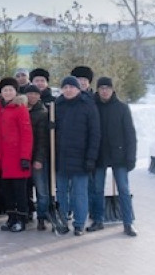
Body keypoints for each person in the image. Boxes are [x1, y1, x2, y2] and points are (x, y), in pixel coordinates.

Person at [89, 77, 138, 236]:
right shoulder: (92, 106)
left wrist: (131, 157)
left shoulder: (122, 108)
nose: (104, 91)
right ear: (97, 90)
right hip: (99, 155)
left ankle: (128, 223)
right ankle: (98, 220)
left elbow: (130, 134)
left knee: (123, 189)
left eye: (107, 88)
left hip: (119, 155)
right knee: (97, 189)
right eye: (101, 88)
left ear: (112, 89)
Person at [54, 76, 100, 236]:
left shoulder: (87, 106)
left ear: (78, 89)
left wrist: (91, 158)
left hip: (81, 159)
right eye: (65, 87)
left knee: (80, 193)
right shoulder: (56, 106)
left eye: (71, 87)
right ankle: (62, 221)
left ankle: (79, 224)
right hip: (61, 158)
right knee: (61, 192)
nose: (68, 90)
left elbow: (95, 134)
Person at [0, 77, 33, 233]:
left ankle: (22, 219)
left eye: (10, 90)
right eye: (5, 90)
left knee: (19, 192)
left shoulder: (20, 109)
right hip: (2, 158)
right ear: (1, 93)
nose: (8, 92)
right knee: (6, 191)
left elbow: (27, 134)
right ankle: (11, 218)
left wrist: (25, 157)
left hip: (17, 158)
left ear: (15, 92)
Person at [23, 84, 50, 230]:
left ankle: (41, 216)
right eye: (29, 94)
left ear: (39, 96)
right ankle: (27, 213)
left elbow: (43, 140)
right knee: (25, 188)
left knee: (41, 189)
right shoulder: (21, 110)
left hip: (37, 157)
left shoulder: (43, 113)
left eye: (35, 94)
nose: (32, 96)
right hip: (23, 156)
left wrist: (39, 159)